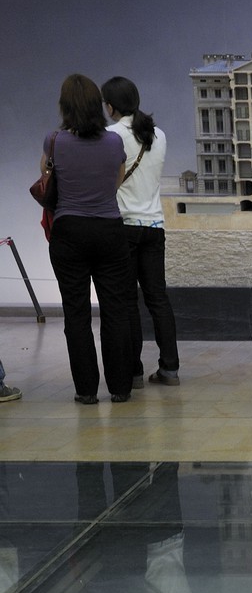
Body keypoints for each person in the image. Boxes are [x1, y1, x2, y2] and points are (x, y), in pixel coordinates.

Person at [44, 73, 134, 404]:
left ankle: (86, 391)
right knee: (116, 310)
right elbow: (117, 180)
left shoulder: (54, 141)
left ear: (65, 107)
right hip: (109, 229)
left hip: (69, 232)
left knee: (77, 313)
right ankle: (121, 388)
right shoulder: (113, 143)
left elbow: (46, 179)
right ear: (99, 106)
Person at [102, 76, 181, 388]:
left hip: (123, 226)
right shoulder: (158, 134)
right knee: (157, 298)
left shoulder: (111, 136)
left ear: (111, 106)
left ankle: (134, 371)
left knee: (127, 301)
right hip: (154, 226)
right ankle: (170, 368)